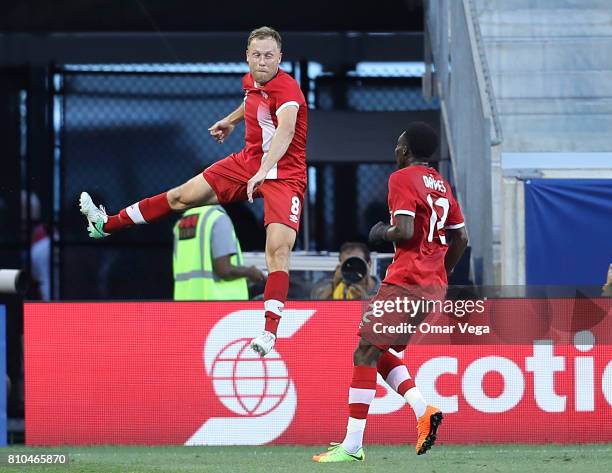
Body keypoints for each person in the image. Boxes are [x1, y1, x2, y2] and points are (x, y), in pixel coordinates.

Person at [79, 26, 307, 356]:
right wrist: (231, 121)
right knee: (180, 196)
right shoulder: (251, 82)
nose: (262, 61)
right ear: (247, 56)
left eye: (269, 56)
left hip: (284, 176)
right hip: (248, 162)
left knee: (278, 251)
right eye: (256, 55)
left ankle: (270, 332)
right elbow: (255, 103)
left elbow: (285, 132)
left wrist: (262, 172)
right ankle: (105, 224)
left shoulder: (289, 90)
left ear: (280, 58)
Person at [313, 122, 468, 462]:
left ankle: (353, 445)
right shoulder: (442, 185)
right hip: (432, 287)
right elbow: (462, 238)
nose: (395, 150)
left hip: (407, 282)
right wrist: (442, 272)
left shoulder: (402, 179)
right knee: (380, 351)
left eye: (398, 145)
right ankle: (422, 409)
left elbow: (406, 229)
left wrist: (382, 232)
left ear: (405, 150)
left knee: (364, 353)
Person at [173, 205, 265, 300]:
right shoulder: (217, 218)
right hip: (218, 305)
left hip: (185, 303)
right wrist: (249, 272)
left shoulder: (184, 220)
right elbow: (224, 270)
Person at [310, 242, 380, 300]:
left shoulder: (384, 290)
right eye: (348, 265)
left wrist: (363, 300)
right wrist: (334, 284)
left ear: (369, 264)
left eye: (358, 264)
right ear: (340, 266)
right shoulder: (331, 285)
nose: (353, 270)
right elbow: (316, 303)